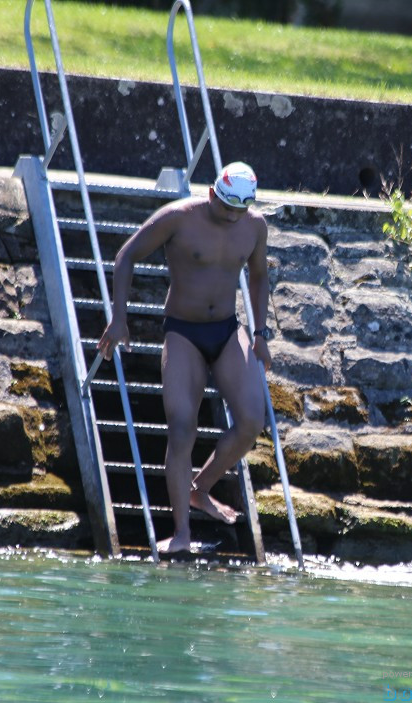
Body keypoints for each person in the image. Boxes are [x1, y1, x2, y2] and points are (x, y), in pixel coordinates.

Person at [96, 162, 271, 554]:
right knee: (181, 427)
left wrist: (260, 334)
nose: (229, 216)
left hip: (227, 329)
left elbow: (258, 275)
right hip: (183, 331)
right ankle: (182, 533)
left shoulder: (255, 226)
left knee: (251, 421)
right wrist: (119, 317)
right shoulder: (179, 217)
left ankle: (201, 488)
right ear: (212, 193)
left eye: (237, 210)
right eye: (224, 206)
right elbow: (126, 256)